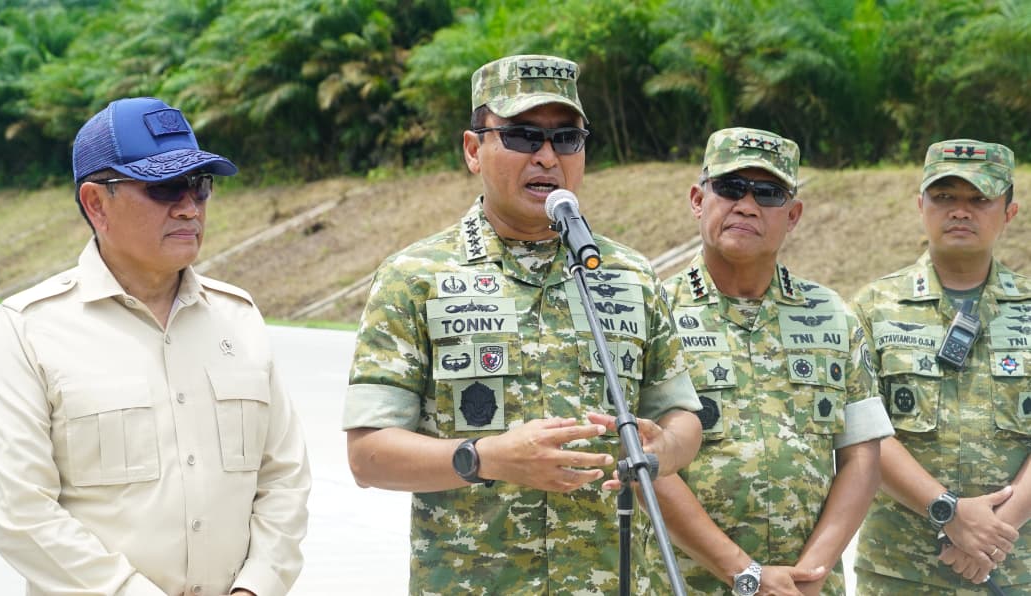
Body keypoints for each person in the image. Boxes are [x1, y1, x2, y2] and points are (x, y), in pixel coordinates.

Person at [342, 54, 703, 594]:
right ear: (473, 149)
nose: (547, 157)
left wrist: (664, 450)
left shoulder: (629, 275)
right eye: (521, 136)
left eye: (566, 139)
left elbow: (680, 415)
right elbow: (368, 455)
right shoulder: (415, 277)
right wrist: (485, 458)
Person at [0, 97, 311, 595]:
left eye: (200, 186)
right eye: (165, 187)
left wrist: (255, 586)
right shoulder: (31, 330)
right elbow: (21, 511)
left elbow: (284, 478)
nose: (189, 207)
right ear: (95, 203)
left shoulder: (238, 318)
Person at [649, 127, 893, 595]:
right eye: (730, 187)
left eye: (768, 193)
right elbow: (644, 463)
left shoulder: (833, 316)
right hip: (684, 584)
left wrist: (809, 575)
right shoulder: (652, 313)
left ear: (793, 214)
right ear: (698, 199)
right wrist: (747, 574)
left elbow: (862, 455)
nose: (746, 204)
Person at [853, 139, 1031, 594]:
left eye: (979, 199)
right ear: (921, 205)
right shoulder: (872, 308)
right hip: (900, 572)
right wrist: (948, 511)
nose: (960, 211)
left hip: (1015, 570)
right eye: (944, 196)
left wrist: (994, 533)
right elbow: (862, 430)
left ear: (1008, 213)